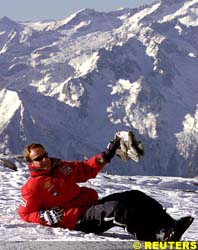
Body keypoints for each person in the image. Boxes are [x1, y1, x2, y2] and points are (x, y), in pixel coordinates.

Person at [18, 135, 193, 241]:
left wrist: (108, 153)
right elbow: (24, 213)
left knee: (134, 196)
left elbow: (86, 169)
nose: (45, 159)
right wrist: (42, 216)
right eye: (39, 158)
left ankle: (171, 227)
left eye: (45, 155)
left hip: (89, 205)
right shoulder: (33, 187)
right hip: (77, 220)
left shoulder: (61, 168)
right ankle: (154, 237)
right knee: (118, 210)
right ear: (30, 162)